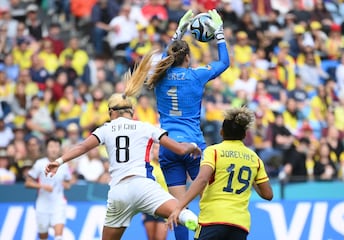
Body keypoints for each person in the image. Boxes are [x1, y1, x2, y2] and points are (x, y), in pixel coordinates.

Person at [44, 56, 202, 240]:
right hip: (144, 186)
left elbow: (82, 147)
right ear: (131, 112)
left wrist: (59, 161)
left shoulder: (105, 129)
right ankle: (193, 222)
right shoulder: (145, 126)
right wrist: (192, 146)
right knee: (180, 211)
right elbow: (180, 149)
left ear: (112, 112)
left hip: (118, 191)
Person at [138, 9, 230, 239]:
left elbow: (162, 60)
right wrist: (218, 33)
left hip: (168, 147)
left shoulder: (158, 75)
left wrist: (177, 33)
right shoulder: (197, 75)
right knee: (211, 200)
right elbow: (224, 62)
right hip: (193, 147)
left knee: (179, 208)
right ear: (188, 57)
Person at [167, 107, 273, 240]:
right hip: (240, 224)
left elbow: (202, 180)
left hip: (213, 218)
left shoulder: (214, 151)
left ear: (221, 132)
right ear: (245, 135)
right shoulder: (255, 159)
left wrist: (179, 207)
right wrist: (251, 178)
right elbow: (268, 195)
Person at [24, 137, 72, 240]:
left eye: (56, 146)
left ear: (59, 148)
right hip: (42, 205)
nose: (54, 149)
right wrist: (42, 186)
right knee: (43, 236)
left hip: (58, 204)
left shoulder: (64, 165)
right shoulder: (40, 164)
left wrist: (65, 184)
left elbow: (68, 183)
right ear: (46, 148)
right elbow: (27, 183)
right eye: (51, 146)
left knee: (59, 236)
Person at [142, 143, 168, 240]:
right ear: (152, 150)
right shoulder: (147, 166)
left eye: (160, 149)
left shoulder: (168, 166)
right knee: (151, 238)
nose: (158, 151)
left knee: (160, 238)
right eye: (156, 148)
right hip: (149, 206)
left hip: (165, 205)